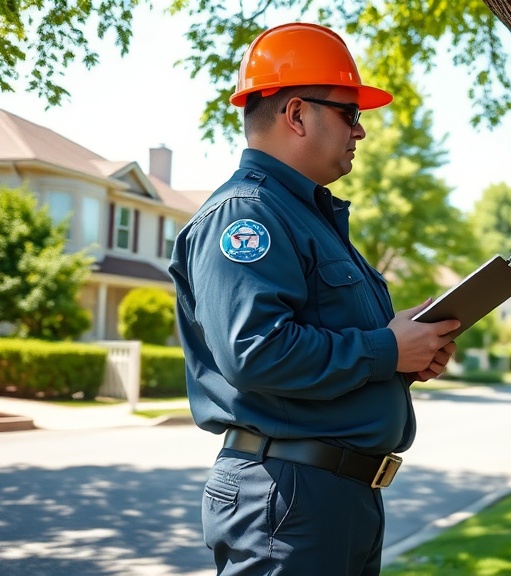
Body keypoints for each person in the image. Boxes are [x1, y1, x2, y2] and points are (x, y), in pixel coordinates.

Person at [168, 22, 460, 576]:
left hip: (331, 498)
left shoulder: (307, 216)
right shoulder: (246, 216)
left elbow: (327, 342)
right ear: (298, 114)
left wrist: (406, 349)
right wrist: (384, 351)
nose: (361, 132)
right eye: (350, 114)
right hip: (288, 497)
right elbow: (255, 352)